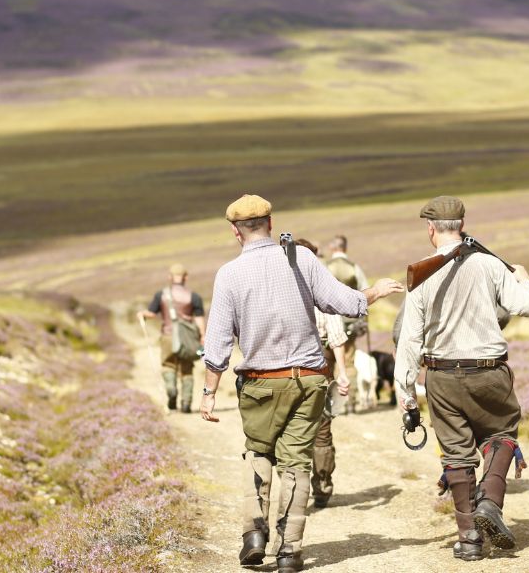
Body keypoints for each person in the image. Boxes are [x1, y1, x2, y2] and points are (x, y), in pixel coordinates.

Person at [200, 195, 403, 572]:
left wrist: (209, 393)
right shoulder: (302, 259)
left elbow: (217, 345)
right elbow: (344, 303)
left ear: (234, 231)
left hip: (260, 383)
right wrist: (373, 291)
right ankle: (290, 550)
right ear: (271, 223)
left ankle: (254, 534)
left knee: (259, 452)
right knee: (296, 464)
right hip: (309, 381)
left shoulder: (228, 275)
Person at [393, 196, 529, 562]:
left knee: (456, 455)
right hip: (490, 372)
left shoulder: (420, 275)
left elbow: (409, 339)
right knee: (501, 434)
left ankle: (470, 539)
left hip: (441, 376)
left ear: (431, 229)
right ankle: (490, 503)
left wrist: (407, 393)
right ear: (461, 224)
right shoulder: (491, 266)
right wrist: (523, 279)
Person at [296, 238, 351, 509]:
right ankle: (322, 485)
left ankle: (293, 488)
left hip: (285, 368)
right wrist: (341, 372)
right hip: (320, 365)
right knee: (322, 429)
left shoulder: (278, 287)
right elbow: (337, 336)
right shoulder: (323, 286)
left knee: (292, 429)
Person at [141, 263, 206, 413]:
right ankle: (186, 403)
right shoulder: (194, 297)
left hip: (168, 337)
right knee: (187, 369)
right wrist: (202, 336)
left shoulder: (161, 295)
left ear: (169, 277)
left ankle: (171, 390)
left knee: (168, 365)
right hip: (188, 338)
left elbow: (151, 313)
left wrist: (142, 314)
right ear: (186, 277)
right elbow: (199, 318)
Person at [324, 235, 367, 415]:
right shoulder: (354, 268)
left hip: (328, 322)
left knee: (330, 362)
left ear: (332, 248)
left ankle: (333, 403)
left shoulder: (325, 268)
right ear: (345, 248)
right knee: (349, 362)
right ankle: (351, 401)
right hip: (350, 323)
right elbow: (364, 293)